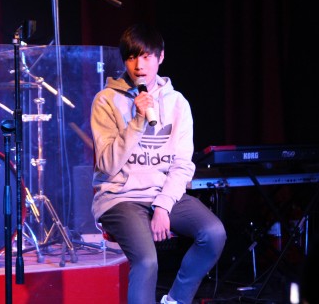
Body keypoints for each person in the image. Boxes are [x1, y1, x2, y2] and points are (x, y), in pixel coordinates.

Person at [91, 23, 226, 304]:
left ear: (160, 57)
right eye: (132, 57)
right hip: (120, 197)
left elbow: (182, 164)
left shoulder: (177, 103)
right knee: (147, 261)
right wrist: (138, 121)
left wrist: (163, 205)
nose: (139, 65)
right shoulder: (105, 100)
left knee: (213, 233)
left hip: (162, 193)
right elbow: (107, 164)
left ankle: (175, 300)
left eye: (146, 56)